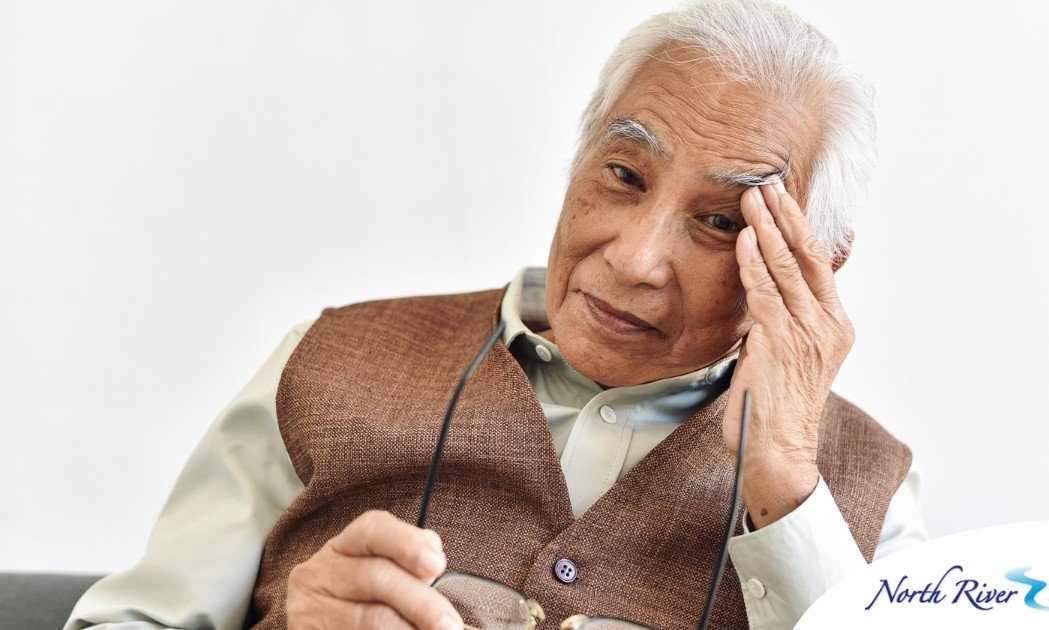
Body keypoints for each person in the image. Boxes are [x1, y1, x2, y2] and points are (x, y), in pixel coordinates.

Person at [66, 1, 927, 628]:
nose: (634, 258)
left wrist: (785, 480)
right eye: (624, 175)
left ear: (814, 263)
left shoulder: (866, 490)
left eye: (720, 222)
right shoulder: (330, 362)